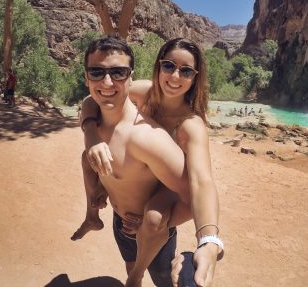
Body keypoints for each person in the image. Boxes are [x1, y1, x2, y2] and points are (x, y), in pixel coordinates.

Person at [76, 38, 223, 287]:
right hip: (135, 191)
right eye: (169, 66)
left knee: (155, 222)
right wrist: (90, 134)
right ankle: (95, 218)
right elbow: (93, 100)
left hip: (165, 193)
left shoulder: (191, 125)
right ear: (158, 66)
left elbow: (201, 181)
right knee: (87, 158)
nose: (175, 77)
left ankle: (145, 273)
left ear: (195, 77)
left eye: (186, 71)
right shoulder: (144, 92)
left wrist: (209, 239)